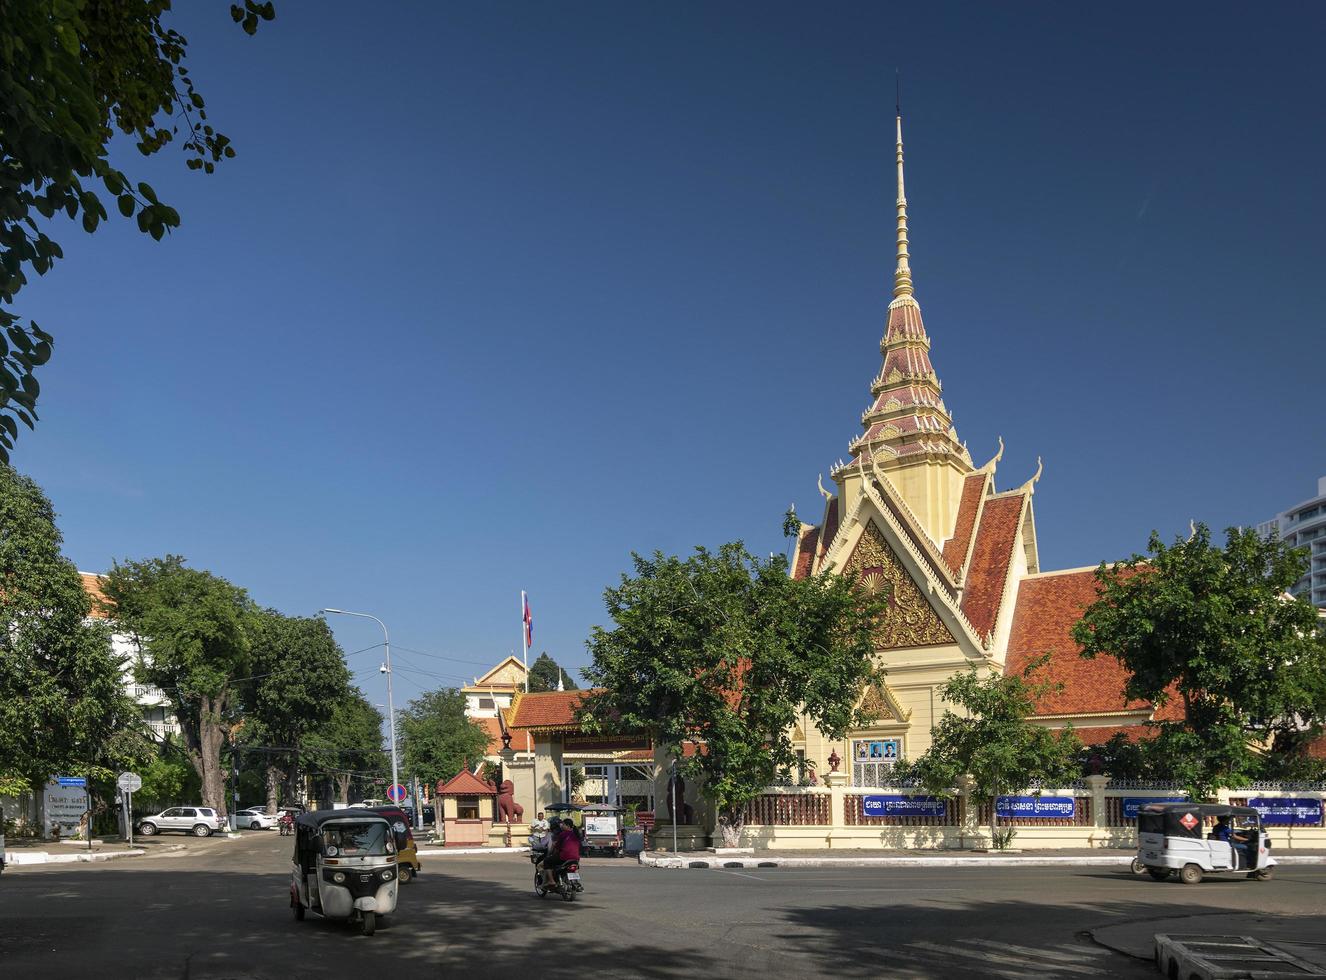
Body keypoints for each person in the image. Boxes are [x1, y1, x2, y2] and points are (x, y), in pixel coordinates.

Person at [542, 818, 581, 887]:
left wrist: (551, 853)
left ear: (568, 826)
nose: (561, 826)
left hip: (565, 857)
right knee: (575, 867)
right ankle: (576, 882)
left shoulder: (563, 834)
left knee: (547, 862)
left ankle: (551, 881)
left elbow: (557, 847)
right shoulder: (576, 834)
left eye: (563, 824)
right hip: (576, 858)